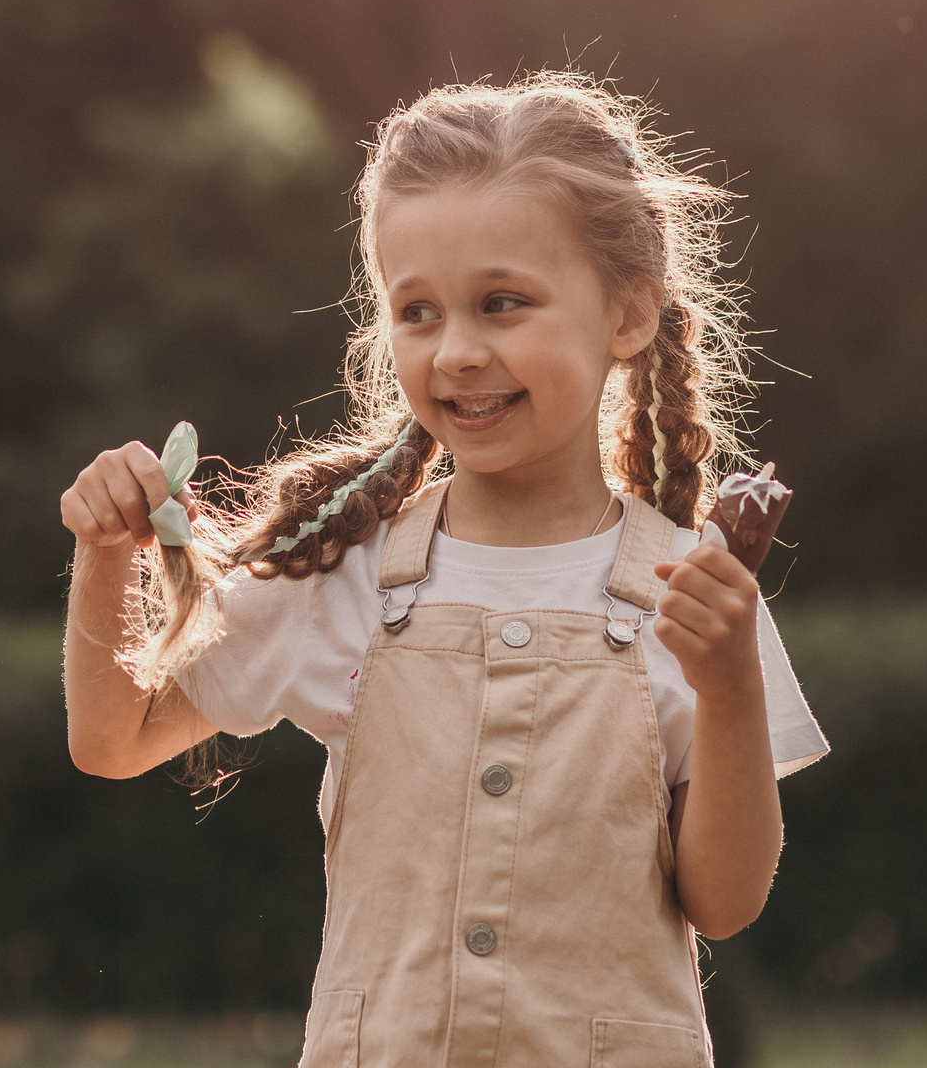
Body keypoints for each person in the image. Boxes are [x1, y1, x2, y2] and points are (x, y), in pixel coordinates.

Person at [60, 76, 828, 1068]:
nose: (458, 351)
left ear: (629, 313)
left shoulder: (695, 596)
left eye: (502, 304)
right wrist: (104, 552)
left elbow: (723, 903)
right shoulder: (340, 576)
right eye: (417, 311)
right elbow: (114, 739)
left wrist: (728, 686)